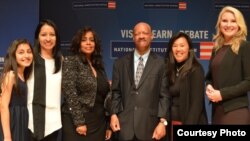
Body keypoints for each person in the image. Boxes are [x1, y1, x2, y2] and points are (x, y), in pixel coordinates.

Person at [110, 22, 170, 141]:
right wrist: (113, 114)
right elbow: (115, 92)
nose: (141, 36)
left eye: (145, 33)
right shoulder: (120, 63)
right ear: (133, 37)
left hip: (150, 128)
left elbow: (164, 96)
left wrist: (163, 122)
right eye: (137, 33)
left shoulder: (161, 64)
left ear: (152, 36)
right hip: (124, 127)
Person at [61, 27, 112, 141]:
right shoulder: (71, 61)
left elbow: (104, 96)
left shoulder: (98, 66)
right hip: (77, 122)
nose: (88, 43)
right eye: (84, 40)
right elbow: (70, 93)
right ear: (78, 43)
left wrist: (108, 125)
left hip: (99, 123)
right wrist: (79, 122)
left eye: (91, 40)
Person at [205, 6, 250, 124]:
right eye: (225, 21)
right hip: (217, 110)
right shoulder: (216, 48)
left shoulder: (244, 47)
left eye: (233, 21)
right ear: (219, 24)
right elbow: (210, 77)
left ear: (239, 25)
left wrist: (222, 94)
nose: (228, 25)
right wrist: (209, 86)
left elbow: (248, 82)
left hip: (236, 110)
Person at [165, 32, 208, 140]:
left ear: (189, 48)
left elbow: (196, 105)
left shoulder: (196, 69)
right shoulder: (169, 70)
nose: (178, 49)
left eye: (182, 45)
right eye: (175, 46)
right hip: (171, 126)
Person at [27, 19, 63, 140]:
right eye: (44, 34)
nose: (48, 39)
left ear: (57, 38)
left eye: (52, 35)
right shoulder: (30, 59)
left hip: (54, 122)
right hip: (31, 122)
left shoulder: (61, 61)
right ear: (37, 37)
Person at [0, 39, 33, 141]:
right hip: (13, 122)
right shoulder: (11, 75)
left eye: (29, 51)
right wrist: (7, 136)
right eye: (21, 52)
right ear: (14, 56)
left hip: (23, 121)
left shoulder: (25, 76)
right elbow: (3, 106)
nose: (26, 56)